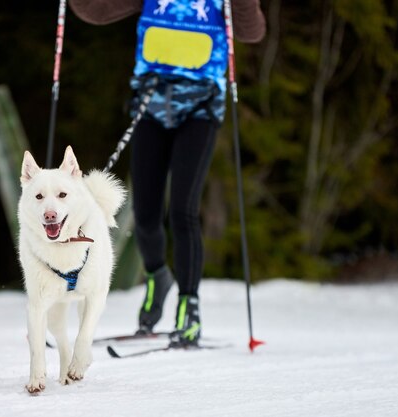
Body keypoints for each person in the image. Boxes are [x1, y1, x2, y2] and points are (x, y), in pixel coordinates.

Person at [68, 0, 265, 346]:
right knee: (144, 214)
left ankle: (190, 306)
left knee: (183, 211)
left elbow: (252, 32)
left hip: (200, 109)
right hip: (151, 108)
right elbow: (95, 12)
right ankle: (159, 276)